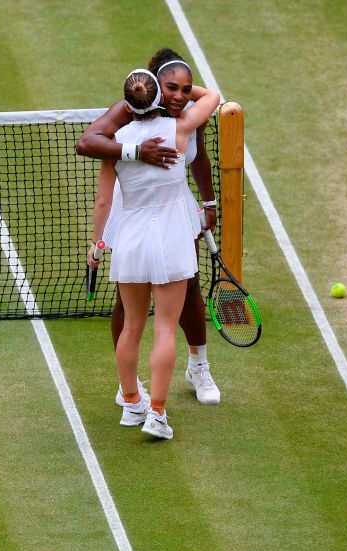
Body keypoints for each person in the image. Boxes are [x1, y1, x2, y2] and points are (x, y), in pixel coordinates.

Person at [76, 48, 221, 406]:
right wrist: (137, 151)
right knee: (127, 306)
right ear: (155, 87)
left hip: (175, 208)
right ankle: (129, 384)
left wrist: (209, 202)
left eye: (185, 89)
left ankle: (198, 366)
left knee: (189, 288)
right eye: (170, 87)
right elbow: (86, 143)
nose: (179, 96)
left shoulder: (188, 117)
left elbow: (198, 157)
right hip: (134, 209)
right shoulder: (129, 109)